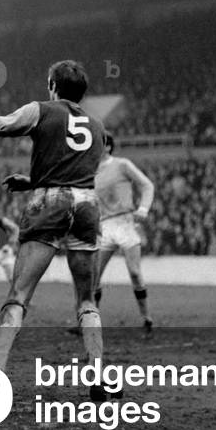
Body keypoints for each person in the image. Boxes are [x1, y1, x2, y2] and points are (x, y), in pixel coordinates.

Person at [0, 60, 116, 401]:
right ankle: (96, 373)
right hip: (87, 206)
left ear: (52, 85)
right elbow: (76, 172)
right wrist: (33, 179)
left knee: (18, 296)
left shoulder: (41, 110)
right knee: (87, 299)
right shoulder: (98, 126)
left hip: (50, 202)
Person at [93, 133, 155, 334]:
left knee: (135, 273)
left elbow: (147, 185)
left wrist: (143, 208)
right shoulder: (90, 170)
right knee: (94, 276)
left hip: (126, 222)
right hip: (104, 226)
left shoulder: (122, 165)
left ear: (109, 147)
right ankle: (89, 322)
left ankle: (146, 317)